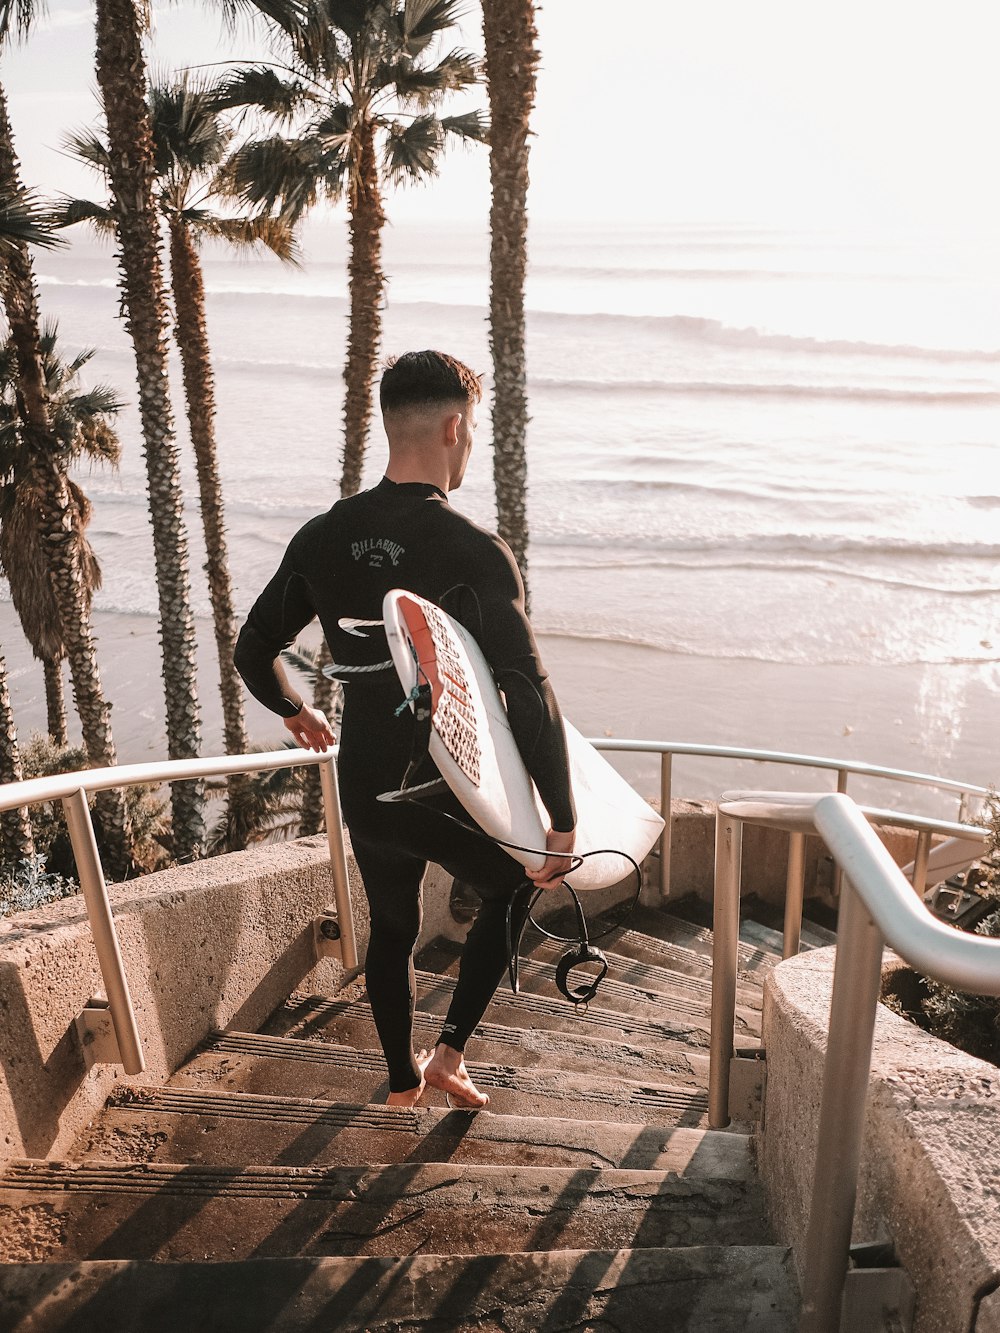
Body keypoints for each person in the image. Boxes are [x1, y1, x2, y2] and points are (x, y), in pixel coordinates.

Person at [234, 350, 576, 1110]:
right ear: (456, 427)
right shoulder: (473, 552)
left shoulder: (324, 536)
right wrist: (563, 816)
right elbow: (526, 688)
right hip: (443, 787)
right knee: (516, 883)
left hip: (367, 783)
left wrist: (294, 707)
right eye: (474, 429)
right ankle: (450, 1054)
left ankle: (398, 1083)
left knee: (392, 924)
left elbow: (252, 650)